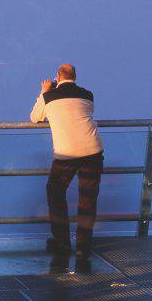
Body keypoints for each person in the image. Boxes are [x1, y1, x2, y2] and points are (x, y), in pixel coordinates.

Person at [30, 64, 104, 274]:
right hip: (93, 151)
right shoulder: (88, 95)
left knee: (55, 193)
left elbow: (35, 117)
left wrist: (45, 91)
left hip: (66, 154)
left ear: (57, 77)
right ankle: (83, 246)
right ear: (75, 77)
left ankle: (62, 241)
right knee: (87, 200)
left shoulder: (49, 96)